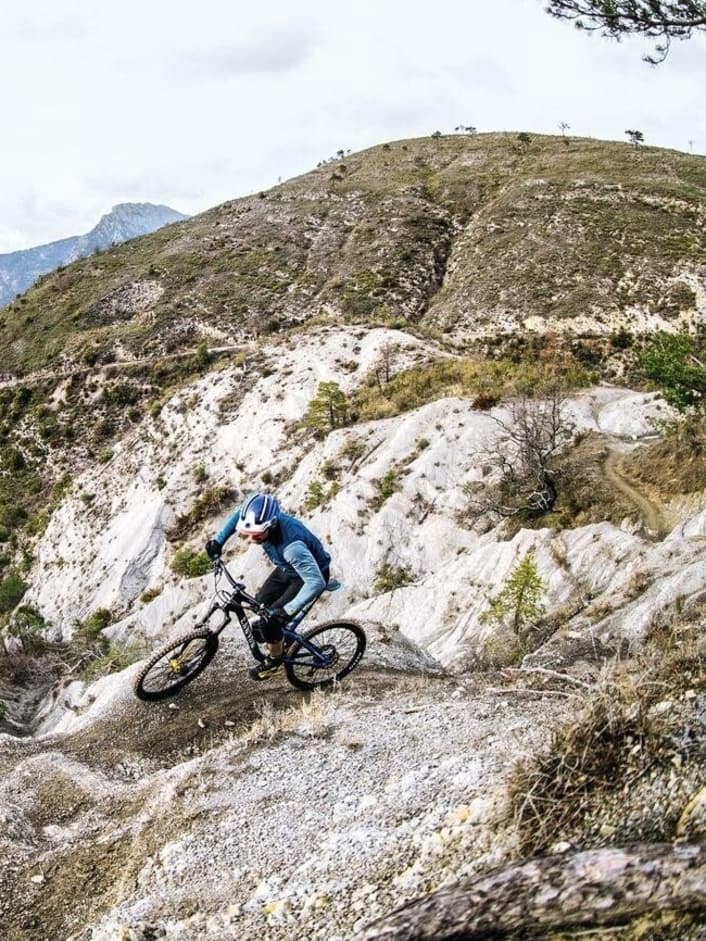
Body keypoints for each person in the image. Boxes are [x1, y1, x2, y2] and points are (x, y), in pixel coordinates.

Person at [205, 492, 331, 681]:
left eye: (256, 534)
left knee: (271, 621)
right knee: (261, 602)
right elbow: (240, 514)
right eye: (249, 533)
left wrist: (285, 610)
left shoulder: (292, 548)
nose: (251, 538)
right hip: (287, 569)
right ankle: (281, 636)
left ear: (270, 526)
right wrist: (218, 541)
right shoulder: (263, 517)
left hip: (307, 578)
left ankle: (275, 661)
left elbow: (316, 582)